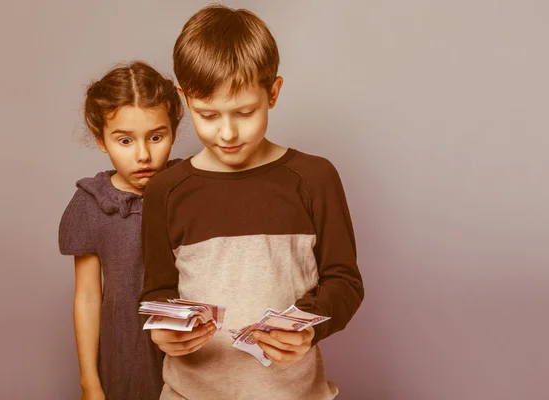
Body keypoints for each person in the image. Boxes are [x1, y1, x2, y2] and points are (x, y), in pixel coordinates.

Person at [141, 5, 365, 399]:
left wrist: (310, 328)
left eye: (245, 112)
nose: (227, 132)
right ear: (184, 99)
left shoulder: (315, 178)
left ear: (273, 93)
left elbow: (344, 281)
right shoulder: (165, 191)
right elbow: (158, 291)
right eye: (207, 115)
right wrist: (163, 330)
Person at [59, 61, 183, 400]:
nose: (143, 155)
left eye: (156, 137)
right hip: (125, 353)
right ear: (101, 140)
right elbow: (86, 296)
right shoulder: (91, 204)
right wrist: (89, 382)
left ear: (174, 130)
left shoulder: (191, 189)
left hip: (191, 350)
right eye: (125, 140)